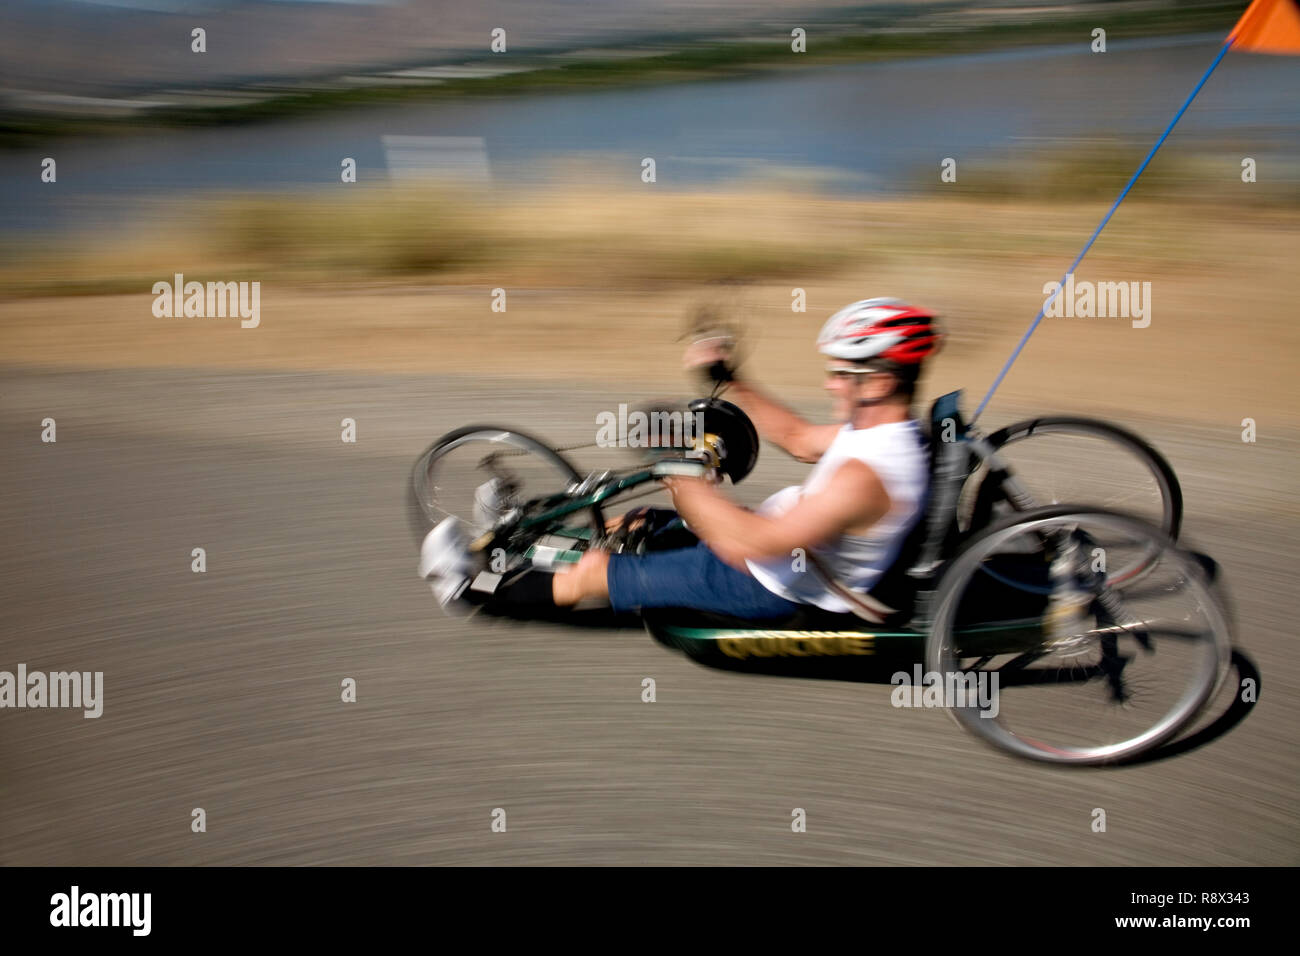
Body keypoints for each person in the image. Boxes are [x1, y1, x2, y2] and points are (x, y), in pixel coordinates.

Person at [421, 298, 941, 621]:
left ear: (881, 380)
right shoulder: (882, 432)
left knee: (596, 569)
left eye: (842, 373)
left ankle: (468, 590)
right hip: (777, 554)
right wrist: (726, 378)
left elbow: (752, 547)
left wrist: (685, 478)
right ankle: (512, 541)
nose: (830, 382)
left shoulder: (865, 475)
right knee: (637, 523)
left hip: (770, 582)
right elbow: (800, 438)